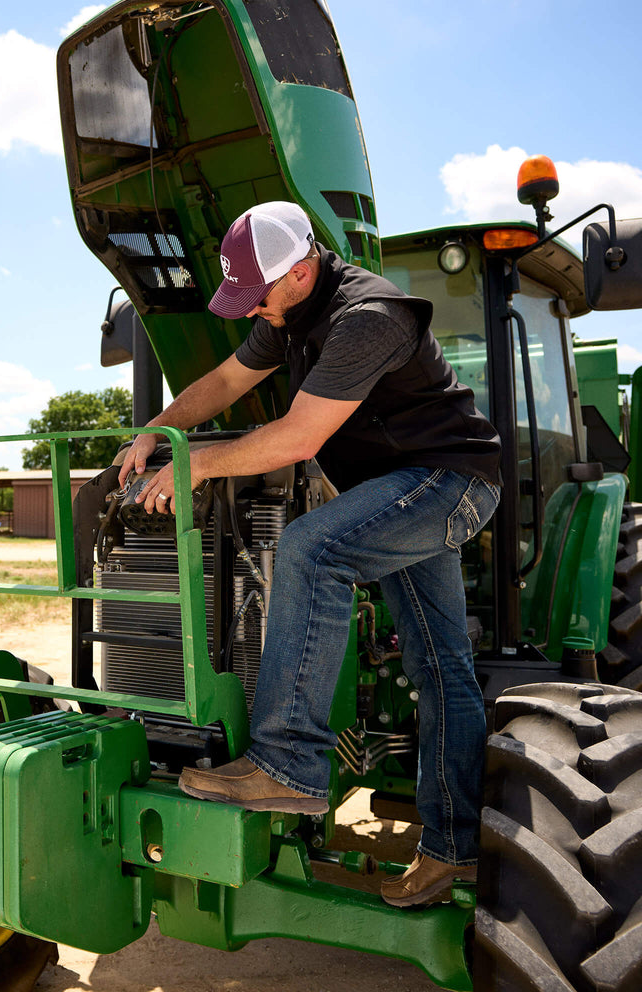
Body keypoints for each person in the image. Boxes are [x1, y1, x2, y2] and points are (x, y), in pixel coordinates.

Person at [117, 200, 501, 907]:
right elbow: (228, 382)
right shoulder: (288, 314)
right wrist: (157, 429)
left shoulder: (368, 318)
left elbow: (298, 439)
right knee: (439, 666)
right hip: (395, 488)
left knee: (310, 550)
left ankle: (290, 764)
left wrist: (196, 467)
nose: (249, 311)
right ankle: (455, 851)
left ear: (300, 271)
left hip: (451, 483)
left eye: (256, 295)